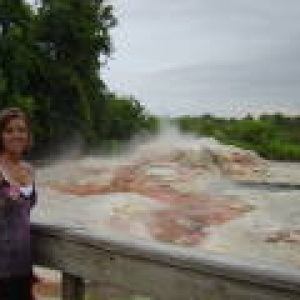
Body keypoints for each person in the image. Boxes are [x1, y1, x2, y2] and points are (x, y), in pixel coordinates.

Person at [0, 107, 38, 300]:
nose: (17, 135)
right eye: (9, 130)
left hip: (23, 268)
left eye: (21, 130)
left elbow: (24, 213)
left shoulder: (29, 170)